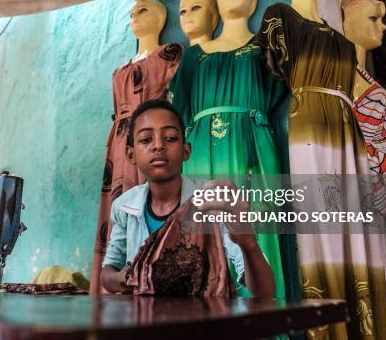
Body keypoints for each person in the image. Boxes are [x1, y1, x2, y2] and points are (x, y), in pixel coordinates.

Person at [100, 99, 275, 297]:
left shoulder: (214, 204)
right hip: (144, 322)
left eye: (170, 138)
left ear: (186, 151)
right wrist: (122, 279)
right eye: (146, 139)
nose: (158, 145)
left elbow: (265, 291)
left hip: (204, 321)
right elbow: (108, 271)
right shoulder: (123, 206)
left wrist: (247, 242)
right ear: (131, 155)